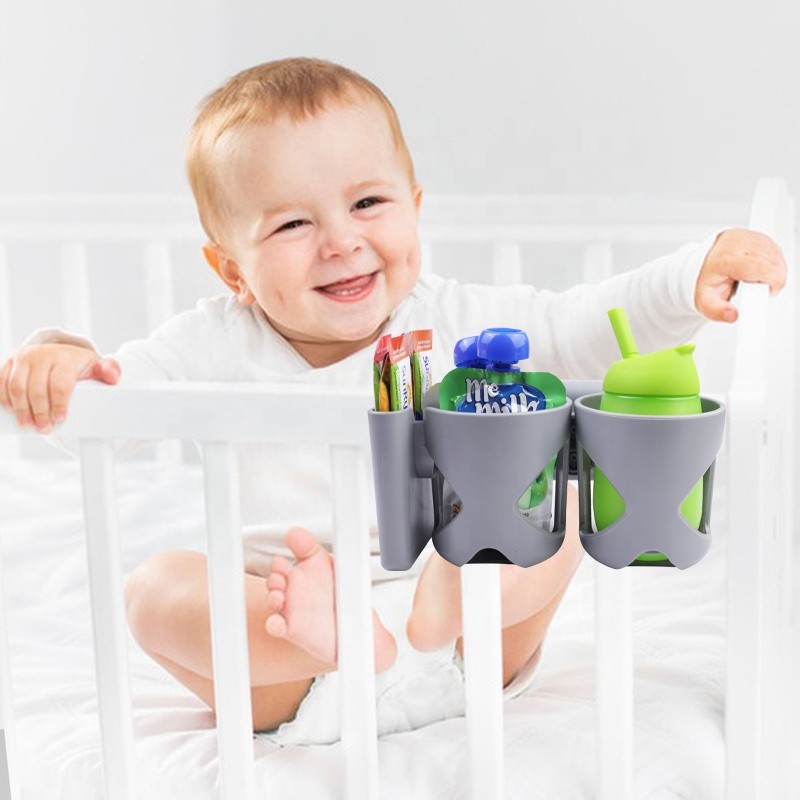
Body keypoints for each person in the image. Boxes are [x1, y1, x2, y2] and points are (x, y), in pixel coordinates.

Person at [0, 58, 787, 744]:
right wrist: (60, 362)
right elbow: (108, 407)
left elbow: (582, 321)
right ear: (230, 267)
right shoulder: (207, 344)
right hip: (293, 655)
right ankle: (344, 633)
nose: (340, 240)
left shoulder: (456, 319)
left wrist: (690, 274)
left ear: (415, 205)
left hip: (470, 634)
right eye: (293, 223)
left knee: (569, 502)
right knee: (153, 588)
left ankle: (437, 599)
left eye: (368, 204)